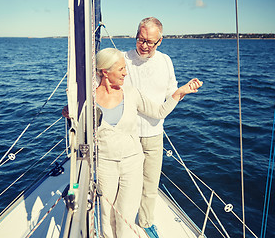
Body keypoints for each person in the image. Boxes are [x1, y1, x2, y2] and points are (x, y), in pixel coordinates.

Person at [63, 47, 202, 237]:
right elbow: (78, 127)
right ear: (105, 71)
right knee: (106, 213)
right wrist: (69, 112)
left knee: (125, 214)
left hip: (133, 163)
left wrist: (180, 92)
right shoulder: (88, 101)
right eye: (121, 69)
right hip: (105, 165)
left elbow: (159, 112)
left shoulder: (131, 93)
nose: (125, 73)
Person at [123, 17, 183, 237]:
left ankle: (146, 221)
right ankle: (121, 221)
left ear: (160, 41)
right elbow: (100, 85)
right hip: (127, 134)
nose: (144, 45)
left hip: (154, 135)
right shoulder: (123, 59)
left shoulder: (165, 61)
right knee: (125, 184)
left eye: (150, 42)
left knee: (150, 183)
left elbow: (171, 92)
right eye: (140, 39)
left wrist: (181, 94)